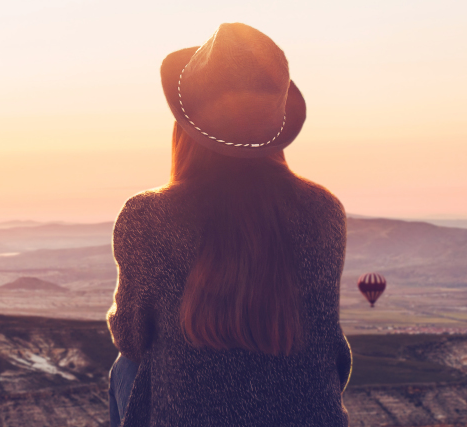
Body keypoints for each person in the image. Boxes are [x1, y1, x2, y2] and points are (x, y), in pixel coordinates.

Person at [106, 23, 352, 426]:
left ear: (186, 126)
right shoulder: (323, 211)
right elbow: (328, 347)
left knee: (125, 367)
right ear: (277, 128)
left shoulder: (146, 217)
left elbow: (130, 336)